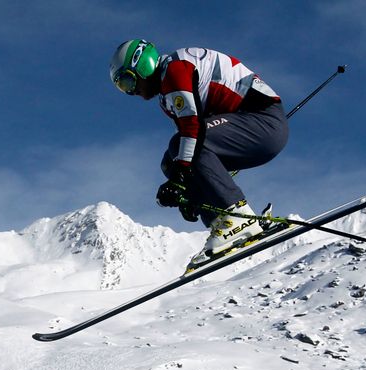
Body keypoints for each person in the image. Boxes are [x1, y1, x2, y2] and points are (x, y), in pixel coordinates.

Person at [109, 39, 289, 269]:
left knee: (185, 147)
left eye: (128, 82)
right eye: (123, 88)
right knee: (172, 160)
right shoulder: (166, 94)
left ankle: (236, 215)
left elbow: (193, 130)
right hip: (250, 128)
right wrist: (191, 192)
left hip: (263, 122)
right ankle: (222, 222)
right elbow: (188, 149)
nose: (131, 92)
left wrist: (181, 179)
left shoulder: (175, 70)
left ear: (143, 65)